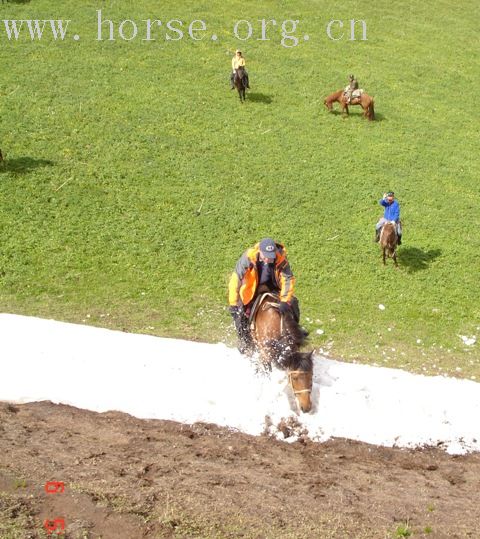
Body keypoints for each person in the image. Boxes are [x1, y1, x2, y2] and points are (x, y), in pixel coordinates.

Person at [228, 238, 303, 354]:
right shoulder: (248, 257)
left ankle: (295, 336)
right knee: (240, 314)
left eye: (271, 256)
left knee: (294, 303)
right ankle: (244, 341)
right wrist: (233, 303)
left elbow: (287, 278)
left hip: (274, 287)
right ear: (260, 251)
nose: (268, 259)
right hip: (253, 289)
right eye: (266, 256)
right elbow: (236, 279)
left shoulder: (280, 259)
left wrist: (285, 300)